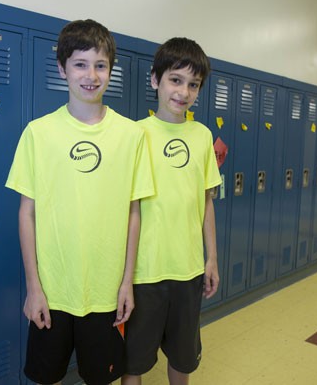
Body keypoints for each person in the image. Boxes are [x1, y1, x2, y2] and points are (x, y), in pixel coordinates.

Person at [6, 19, 154, 385]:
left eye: (100, 65)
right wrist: (34, 287)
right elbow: (27, 214)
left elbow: (134, 213)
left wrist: (126, 284)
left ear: (110, 71)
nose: (91, 75)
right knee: (46, 377)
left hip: (106, 293)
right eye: (80, 64)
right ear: (62, 69)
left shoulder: (131, 135)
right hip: (52, 292)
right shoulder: (38, 133)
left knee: (100, 378)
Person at [122, 37, 222, 385]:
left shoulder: (202, 136)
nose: (183, 92)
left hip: (188, 270)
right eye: (175, 80)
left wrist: (211, 260)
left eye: (193, 85)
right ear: (155, 80)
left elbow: (206, 200)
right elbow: (126, 208)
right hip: (144, 273)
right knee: (133, 363)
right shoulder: (134, 134)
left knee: (183, 359)